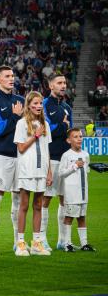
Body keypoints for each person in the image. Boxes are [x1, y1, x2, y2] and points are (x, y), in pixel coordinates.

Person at [0, 65, 25, 255]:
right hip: (0, 156)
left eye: (13, 75)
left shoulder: (20, 100)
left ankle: (19, 242)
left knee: (18, 200)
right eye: (7, 76)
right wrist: (15, 116)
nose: (12, 78)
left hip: (21, 156)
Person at [13, 91, 52, 257]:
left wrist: (49, 171)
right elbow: (21, 148)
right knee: (24, 205)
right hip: (26, 169)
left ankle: (36, 243)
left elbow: (46, 150)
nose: (38, 106)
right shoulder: (22, 124)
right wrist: (35, 136)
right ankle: (20, 243)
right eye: (35, 103)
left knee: (38, 205)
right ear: (28, 105)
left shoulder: (46, 125)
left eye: (40, 103)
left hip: (41, 170)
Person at [42, 74, 72, 251]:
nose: (63, 85)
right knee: (46, 199)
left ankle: (62, 240)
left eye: (64, 83)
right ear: (50, 85)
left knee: (65, 199)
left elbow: (69, 132)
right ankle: (42, 239)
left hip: (65, 159)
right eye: (59, 83)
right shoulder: (44, 105)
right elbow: (46, 131)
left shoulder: (67, 107)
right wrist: (62, 126)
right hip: (51, 158)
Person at [59, 128, 95, 252]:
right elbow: (61, 173)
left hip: (83, 193)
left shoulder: (85, 154)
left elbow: (87, 172)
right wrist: (74, 166)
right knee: (69, 217)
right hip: (71, 193)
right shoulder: (66, 155)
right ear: (69, 140)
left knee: (82, 217)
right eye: (75, 137)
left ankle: (84, 243)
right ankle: (67, 243)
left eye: (80, 136)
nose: (79, 138)